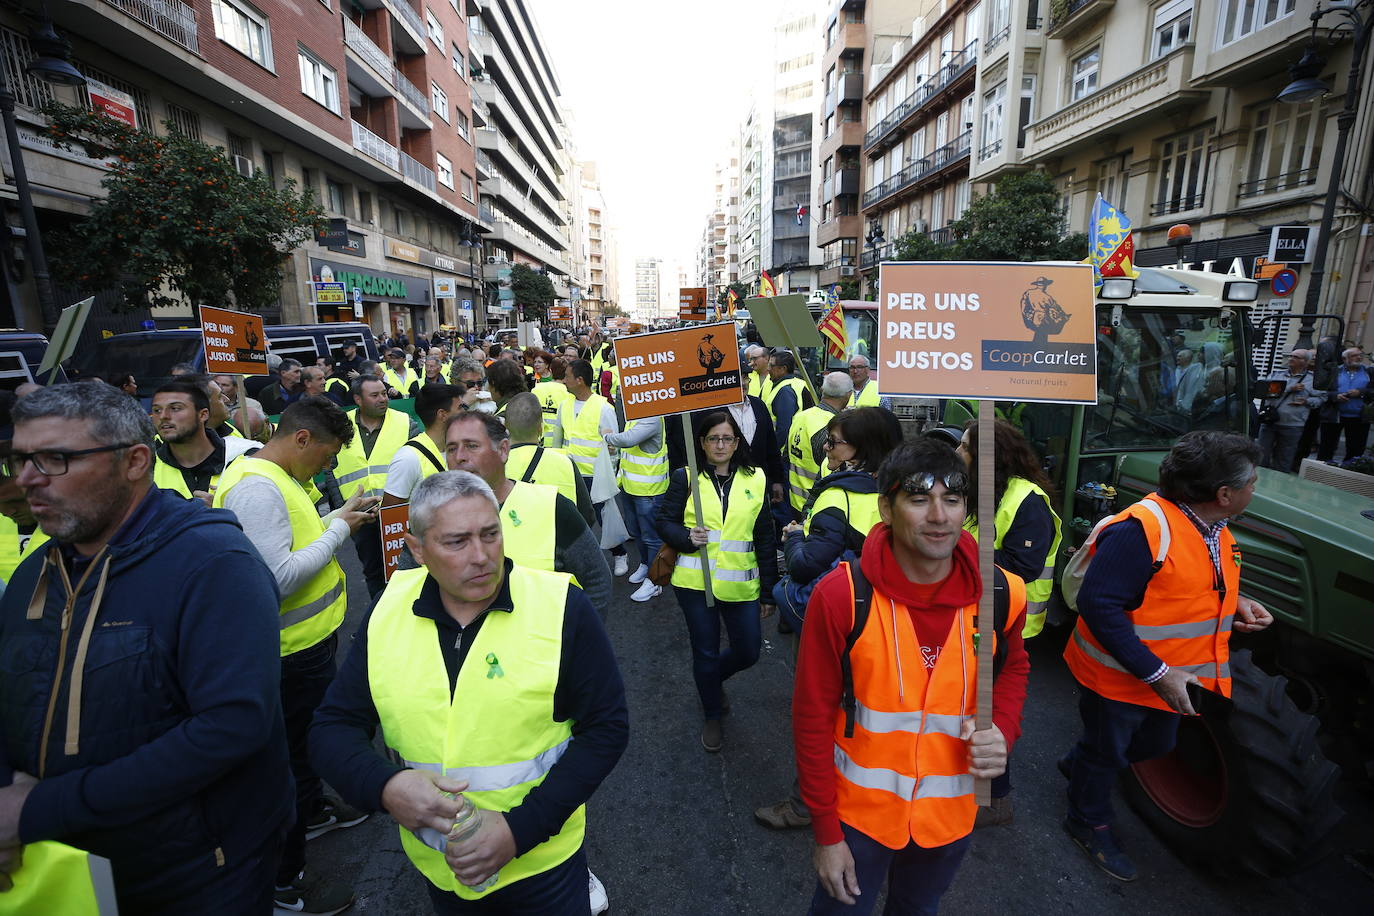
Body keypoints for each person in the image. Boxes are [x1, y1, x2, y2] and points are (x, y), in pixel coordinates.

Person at [0, 381, 291, 912]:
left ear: (135, 462)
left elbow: (232, 726)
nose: (28, 481)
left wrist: (41, 807)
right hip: (61, 872)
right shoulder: (31, 576)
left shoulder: (212, 562)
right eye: (19, 460)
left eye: (56, 459)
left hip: (194, 872)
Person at [311, 470, 627, 914]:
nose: (481, 556)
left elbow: (607, 729)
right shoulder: (388, 611)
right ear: (417, 550)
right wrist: (385, 786)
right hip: (439, 869)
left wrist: (519, 830)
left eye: (491, 534)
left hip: (543, 867)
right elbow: (333, 726)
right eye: (457, 542)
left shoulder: (561, 606)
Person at [793, 438, 1029, 914]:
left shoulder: (1002, 594)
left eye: (952, 499)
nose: (939, 516)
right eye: (919, 499)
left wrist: (1002, 730)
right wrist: (825, 831)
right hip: (858, 819)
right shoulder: (843, 597)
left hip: (950, 814)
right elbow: (811, 717)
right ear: (886, 507)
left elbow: (1014, 667)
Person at [1061, 431, 1272, 881]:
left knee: (1155, 746)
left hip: (1173, 676)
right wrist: (1157, 673)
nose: (1256, 488)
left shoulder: (1210, 525)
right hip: (1123, 680)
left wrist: (1235, 600)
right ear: (1225, 493)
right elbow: (1099, 603)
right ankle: (1087, 820)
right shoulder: (1141, 530)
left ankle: (1083, 766)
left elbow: (1183, 575)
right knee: (1107, 753)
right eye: (1253, 481)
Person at [215, 396, 379, 913]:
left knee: (303, 752)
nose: (329, 467)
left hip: (304, 647)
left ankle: (310, 814)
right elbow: (278, 577)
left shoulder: (273, 477)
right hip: (289, 654)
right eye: (327, 456)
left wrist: (337, 514)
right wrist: (340, 529)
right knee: (290, 763)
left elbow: (287, 539)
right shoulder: (259, 488)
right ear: (301, 438)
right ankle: (287, 880)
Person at [756, 407, 900, 832]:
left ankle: (807, 804)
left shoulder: (839, 496)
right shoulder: (902, 490)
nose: (826, 448)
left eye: (834, 442)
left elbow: (803, 567)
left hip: (838, 620)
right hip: (888, 622)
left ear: (861, 450)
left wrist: (796, 535)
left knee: (820, 710)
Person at [957, 418, 1062, 827]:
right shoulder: (981, 490)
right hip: (976, 615)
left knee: (990, 711)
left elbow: (1023, 566)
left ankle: (996, 798)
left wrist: (954, 555)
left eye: (965, 447)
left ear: (989, 457)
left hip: (1009, 625)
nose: (958, 454)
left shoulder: (1027, 500)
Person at [656, 411, 778, 753]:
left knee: (748, 651)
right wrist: (685, 536)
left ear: (737, 442)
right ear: (702, 443)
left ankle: (709, 680)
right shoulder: (686, 477)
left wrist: (769, 590)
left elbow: (765, 536)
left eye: (727, 438)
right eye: (713, 438)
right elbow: (663, 522)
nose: (720, 444)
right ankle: (712, 711)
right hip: (694, 583)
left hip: (741, 584)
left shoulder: (756, 478)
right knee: (705, 652)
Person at [446, 411, 612, 612]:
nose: (459, 457)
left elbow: (597, 580)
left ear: (503, 450)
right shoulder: (433, 516)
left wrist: (583, 638)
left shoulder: (553, 507)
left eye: (471, 446)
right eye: (451, 448)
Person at [333, 376, 421, 598]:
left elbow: (419, 461)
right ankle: (379, 619)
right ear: (357, 399)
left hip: (398, 512)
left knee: (406, 569)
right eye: (375, 395)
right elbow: (330, 468)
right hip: (359, 515)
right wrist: (341, 506)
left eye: (383, 393)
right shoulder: (340, 424)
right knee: (373, 571)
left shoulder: (404, 422)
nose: (383, 399)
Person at [553, 359, 625, 571]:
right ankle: (576, 559)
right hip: (569, 473)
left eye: (567, 376)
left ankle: (619, 554)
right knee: (573, 520)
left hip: (595, 474)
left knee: (604, 517)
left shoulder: (604, 408)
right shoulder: (564, 405)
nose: (564, 381)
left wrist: (611, 475)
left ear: (580, 380)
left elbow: (613, 447)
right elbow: (558, 441)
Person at [150, 380, 257, 504]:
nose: (163, 416)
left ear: (203, 414)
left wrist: (223, 508)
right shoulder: (146, 466)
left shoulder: (246, 455)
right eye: (157, 410)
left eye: (175, 408)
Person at [604, 412, 669, 602]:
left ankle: (655, 581)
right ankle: (645, 565)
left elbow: (628, 440)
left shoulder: (652, 417)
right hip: (631, 487)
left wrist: (606, 436)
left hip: (649, 490)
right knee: (636, 531)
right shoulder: (635, 415)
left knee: (651, 537)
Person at [503, 393, 595, 527]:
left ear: (506, 427)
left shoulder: (496, 466)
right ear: (541, 427)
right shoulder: (565, 463)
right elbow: (587, 515)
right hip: (559, 544)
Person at [382, 383, 467, 507]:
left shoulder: (462, 451)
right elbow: (391, 518)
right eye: (460, 407)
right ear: (442, 415)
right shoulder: (408, 458)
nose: (465, 412)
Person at [786, 372, 852, 519]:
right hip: (815, 507)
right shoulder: (834, 429)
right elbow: (833, 472)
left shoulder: (801, 416)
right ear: (848, 395)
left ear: (822, 390)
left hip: (795, 502)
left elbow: (787, 455)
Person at [1258, 349, 1322, 472]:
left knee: (1284, 459)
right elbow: (1266, 391)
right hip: (1270, 421)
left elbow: (1321, 398)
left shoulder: (1312, 379)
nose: (1291, 358)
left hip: (1293, 424)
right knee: (1261, 456)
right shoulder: (1277, 374)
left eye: (1296, 357)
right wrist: (1289, 388)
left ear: (1306, 362)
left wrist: (1307, 401)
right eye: (1291, 356)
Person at [1316, 347, 1370, 463]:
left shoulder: (1369, 372)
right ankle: (1320, 473)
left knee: (1355, 451)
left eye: (1361, 355)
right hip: (1334, 415)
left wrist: (1360, 392)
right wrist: (1336, 396)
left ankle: (1348, 473)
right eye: (1355, 355)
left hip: (1359, 418)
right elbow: (1322, 391)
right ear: (1345, 358)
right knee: (1326, 448)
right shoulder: (1334, 371)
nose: (1359, 357)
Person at [765, 349, 815, 458]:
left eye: (771, 365)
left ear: (783, 369)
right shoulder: (800, 383)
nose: (768, 369)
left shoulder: (785, 391)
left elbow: (783, 429)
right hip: (797, 448)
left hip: (783, 453)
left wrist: (771, 452)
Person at [532, 356, 572, 445]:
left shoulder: (536, 389)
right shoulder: (568, 394)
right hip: (558, 443)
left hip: (538, 440)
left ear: (550, 370)